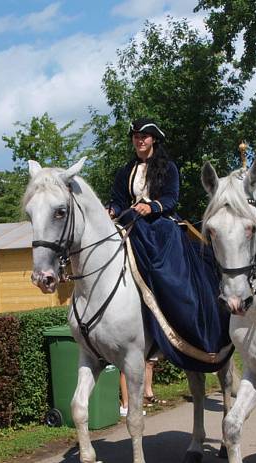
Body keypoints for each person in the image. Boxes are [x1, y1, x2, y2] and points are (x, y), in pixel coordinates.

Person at [106, 117, 231, 375]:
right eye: (136, 137)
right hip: (131, 224)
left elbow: (171, 199)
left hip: (160, 227)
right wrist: (112, 210)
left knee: (165, 274)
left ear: (154, 140)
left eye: (144, 136)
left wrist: (151, 206)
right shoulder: (124, 171)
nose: (139, 140)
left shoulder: (168, 168)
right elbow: (119, 201)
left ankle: (174, 321)